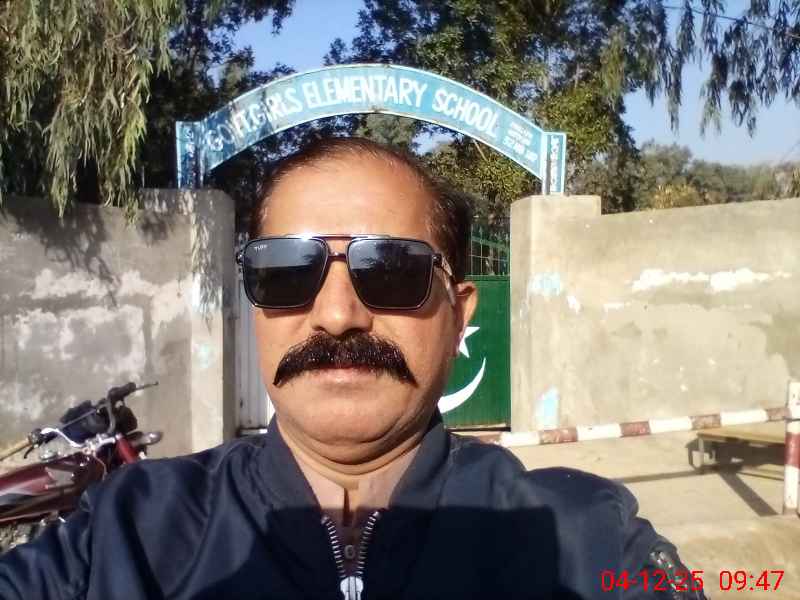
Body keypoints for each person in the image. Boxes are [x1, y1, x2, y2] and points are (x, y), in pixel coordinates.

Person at [0, 137, 704, 600]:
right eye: (285, 272)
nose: (337, 315)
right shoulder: (126, 533)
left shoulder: (579, 540)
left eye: (391, 270)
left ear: (458, 314)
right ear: (254, 306)